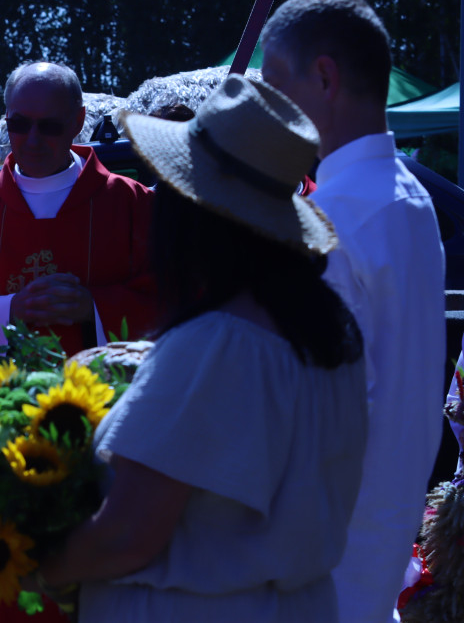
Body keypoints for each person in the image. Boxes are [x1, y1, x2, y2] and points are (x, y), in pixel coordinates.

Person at [31, 75, 367, 622]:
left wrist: (30, 563)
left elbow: (128, 534)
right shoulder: (330, 331)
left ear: (189, 216)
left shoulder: (218, 345)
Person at [261, 0, 446, 623]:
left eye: (274, 85)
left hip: (323, 568)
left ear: (324, 76)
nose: (269, 108)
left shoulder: (337, 217)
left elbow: (311, 417)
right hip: (375, 553)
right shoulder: (407, 197)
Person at [0, 61, 157, 436]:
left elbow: (174, 301)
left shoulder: (131, 205)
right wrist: (10, 310)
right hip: (0, 428)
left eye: (50, 126)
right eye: (19, 124)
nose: (33, 139)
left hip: (110, 425)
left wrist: (92, 308)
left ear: (78, 121)